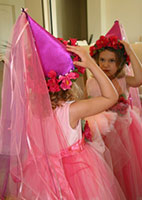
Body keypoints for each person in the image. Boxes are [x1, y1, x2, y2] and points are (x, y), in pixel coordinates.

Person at [0, 11, 127, 200]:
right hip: (78, 173)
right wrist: (92, 64)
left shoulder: (26, 109)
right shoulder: (71, 110)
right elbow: (111, 97)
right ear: (67, 81)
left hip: (40, 175)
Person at [86, 35, 142, 200]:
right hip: (104, 132)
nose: (105, 64)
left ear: (119, 63)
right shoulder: (92, 82)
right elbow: (91, 105)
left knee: (127, 167)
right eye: (102, 59)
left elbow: (139, 79)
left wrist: (130, 51)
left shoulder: (123, 79)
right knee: (109, 166)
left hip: (125, 130)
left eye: (111, 61)